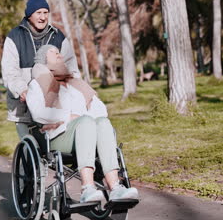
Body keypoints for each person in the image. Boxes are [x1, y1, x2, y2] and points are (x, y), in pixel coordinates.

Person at [26, 45, 139, 203]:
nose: (59, 55)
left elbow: (100, 108)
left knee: (103, 122)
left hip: (86, 131)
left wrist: (87, 116)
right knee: (86, 122)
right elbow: (37, 113)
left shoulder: (74, 83)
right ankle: (88, 188)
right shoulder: (37, 83)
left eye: (60, 53)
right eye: (54, 53)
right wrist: (68, 116)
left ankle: (115, 187)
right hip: (59, 135)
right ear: (43, 59)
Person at [1, 0, 80, 139]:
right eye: (38, 13)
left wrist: (74, 90)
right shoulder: (14, 37)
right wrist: (22, 89)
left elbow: (71, 68)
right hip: (23, 107)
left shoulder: (58, 36)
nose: (42, 17)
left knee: (55, 148)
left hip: (54, 106)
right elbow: (9, 72)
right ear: (29, 15)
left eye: (45, 13)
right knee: (30, 147)